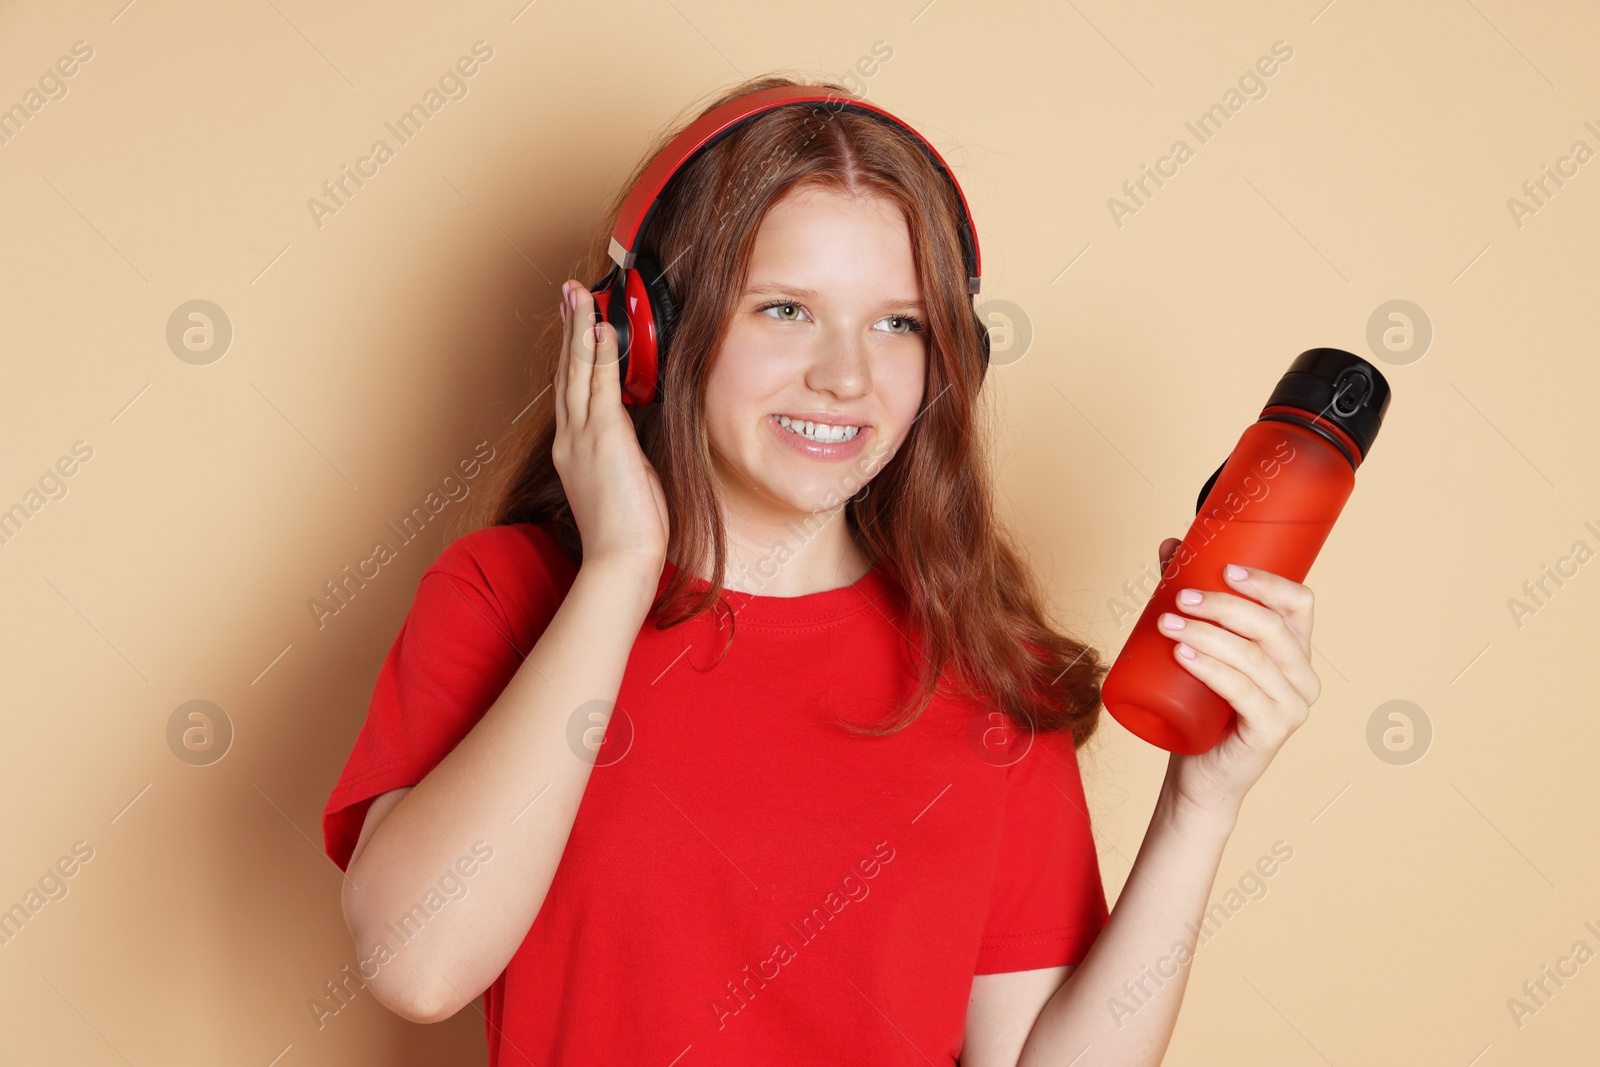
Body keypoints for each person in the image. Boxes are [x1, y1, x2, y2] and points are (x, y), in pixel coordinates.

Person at [320, 73, 1321, 1066]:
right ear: (643, 339)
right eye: (785, 309)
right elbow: (419, 965)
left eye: (898, 323)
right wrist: (623, 565)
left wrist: (1202, 804)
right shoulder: (505, 593)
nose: (846, 376)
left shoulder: (982, 660)